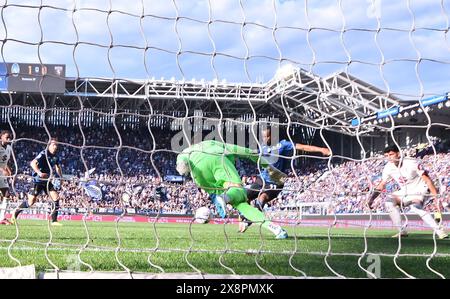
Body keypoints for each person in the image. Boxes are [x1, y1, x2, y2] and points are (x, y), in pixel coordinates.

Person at [176, 140, 288, 239]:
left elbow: (182, 158)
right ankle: (225, 198)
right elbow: (244, 151)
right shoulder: (210, 143)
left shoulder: (186, 151)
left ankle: (276, 229)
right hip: (216, 159)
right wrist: (267, 166)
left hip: (198, 176)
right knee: (238, 190)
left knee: (240, 203)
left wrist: (182, 164)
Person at [240, 127, 331, 232]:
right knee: (244, 196)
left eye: (266, 136)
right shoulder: (263, 147)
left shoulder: (283, 144)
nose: (264, 139)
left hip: (277, 181)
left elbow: (302, 147)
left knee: (262, 198)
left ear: (272, 136)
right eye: (263, 136)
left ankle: (248, 221)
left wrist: (322, 150)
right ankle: (243, 217)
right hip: (262, 179)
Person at [368, 144, 448, 239]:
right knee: (389, 201)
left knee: (415, 208)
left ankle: (440, 231)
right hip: (406, 190)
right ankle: (402, 231)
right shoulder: (388, 167)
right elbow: (381, 185)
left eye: (391, 154)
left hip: (421, 188)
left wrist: (436, 198)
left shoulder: (411, 162)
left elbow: (427, 179)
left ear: (398, 154)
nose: (389, 158)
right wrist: (371, 199)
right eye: (386, 156)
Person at [11, 138, 64, 226]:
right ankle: (15, 213)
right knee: (31, 202)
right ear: (49, 145)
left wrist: (61, 177)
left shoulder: (56, 156)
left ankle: (54, 221)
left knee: (56, 198)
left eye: (56, 145)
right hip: (37, 181)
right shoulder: (43, 154)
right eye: (53, 145)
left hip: (47, 181)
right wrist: (39, 173)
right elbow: (33, 163)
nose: (55, 147)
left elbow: (58, 167)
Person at [0, 130, 13, 225]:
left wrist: (9, 171)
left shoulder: (9, 148)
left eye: (9, 137)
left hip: (2, 175)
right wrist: (2, 169)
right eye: (7, 137)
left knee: (7, 194)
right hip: (1, 172)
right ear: (1, 137)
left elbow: (5, 162)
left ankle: (2, 218)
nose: (9, 139)